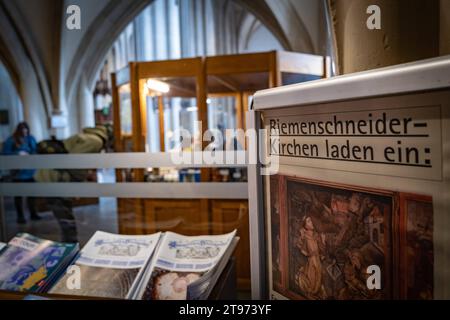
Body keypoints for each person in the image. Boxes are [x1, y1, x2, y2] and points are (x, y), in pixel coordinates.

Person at [35, 125, 108, 243]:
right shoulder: (96, 141)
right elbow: (74, 163)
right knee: (68, 224)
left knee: (67, 223)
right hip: (55, 180)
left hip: (52, 178)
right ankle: (69, 253)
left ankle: (69, 251)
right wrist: (85, 176)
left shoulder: (88, 137)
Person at [2, 122, 41, 224]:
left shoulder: (31, 138)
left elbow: (36, 150)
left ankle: (33, 213)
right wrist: (17, 153)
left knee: (32, 194)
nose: (25, 131)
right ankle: (20, 216)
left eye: (26, 129)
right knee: (18, 196)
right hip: (18, 173)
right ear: (19, 130)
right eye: (23, 129)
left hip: (31, 171)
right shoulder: (11, 140)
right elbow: (5, 153)